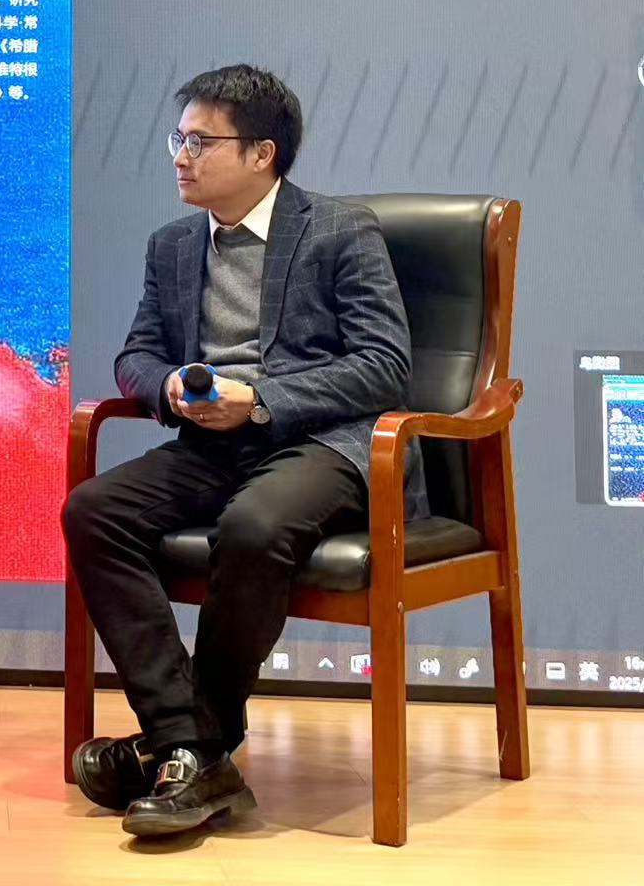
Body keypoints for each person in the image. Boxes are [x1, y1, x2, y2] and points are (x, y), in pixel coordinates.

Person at [61, 64, 417, 839]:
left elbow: (384, 365)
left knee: (253, 526)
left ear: (261, 153)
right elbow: (136, 355)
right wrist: (169, 388)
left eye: (200, 142)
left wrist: (259, 401)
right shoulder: (172, 245)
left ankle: (186, 748)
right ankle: (188, 748)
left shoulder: (338, 228)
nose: (179, 157)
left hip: (318, 443)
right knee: (93, 510)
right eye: (177, 139)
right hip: (209, 442)